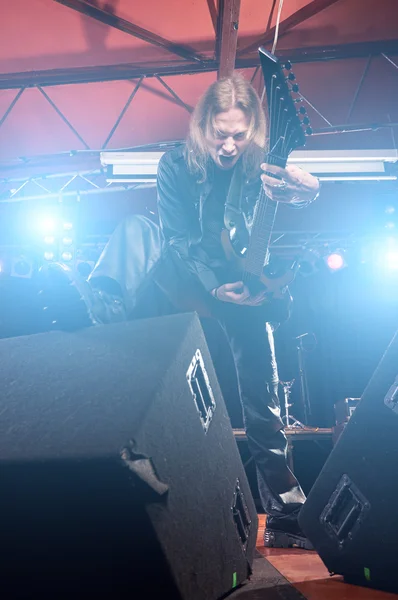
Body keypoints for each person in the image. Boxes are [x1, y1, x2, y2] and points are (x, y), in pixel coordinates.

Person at [39, 74, 319, 549]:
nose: (229, 145)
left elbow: (303, 188)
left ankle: (288, 512)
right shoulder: (174, 164)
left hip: (241, 281)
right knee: (136, 230)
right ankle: (101, 309)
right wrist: (213, 287)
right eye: (220, 134)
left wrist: (305, 189)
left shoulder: (260, 167)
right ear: (202, 126)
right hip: (187, 274)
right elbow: (179, 238)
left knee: (262, 400)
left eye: (239, 135)